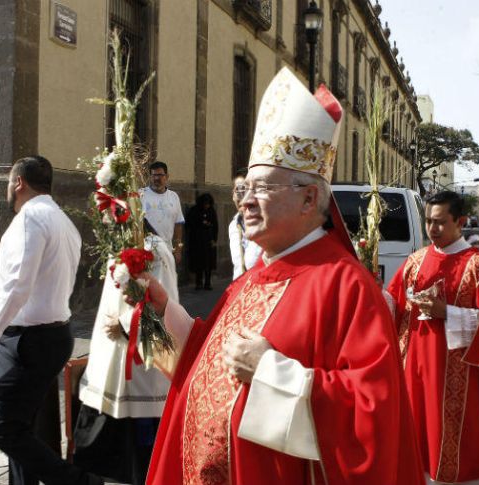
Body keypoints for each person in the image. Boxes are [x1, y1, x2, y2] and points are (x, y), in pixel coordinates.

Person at [141, 67, 424, 485]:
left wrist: (271, 372)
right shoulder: (251, 278)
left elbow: (371, 413)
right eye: (244, 190)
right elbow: (208, 359)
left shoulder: (347, 287)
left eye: (263, 189)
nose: (246, 203)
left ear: (310, 197)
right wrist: (163, 311)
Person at [0, 156, 102, 485]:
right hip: (54, 335)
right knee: (24, 428)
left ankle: (79, 481)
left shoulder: (31, 220)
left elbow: (17, 288)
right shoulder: (63, 222)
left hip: (27, 341)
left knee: (5, 430)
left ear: (19, 182)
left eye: (8, 182)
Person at [386, 190, 479, 485]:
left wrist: (448, 312)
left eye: (440, 222)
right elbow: (391, 306)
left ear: (461, 221)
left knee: (450, 452)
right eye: (429, 222)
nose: (432, 229)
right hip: (414, 375)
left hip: (457, 378)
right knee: (412, 446)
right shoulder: (415, 261)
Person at [73, 220, 180, 485]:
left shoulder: (154, 249)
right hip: (111, 358)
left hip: (139, 357)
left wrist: (125, 325)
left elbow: (162, 298)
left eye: (111, 216)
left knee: (138, 442)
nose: (105, 222)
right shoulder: (120, 245)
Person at [140, 161, 185, 263]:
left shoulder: (173, 197)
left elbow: (178, 224)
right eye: (154, 175)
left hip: (167, 251)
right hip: (146, 251)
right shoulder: (141, 195)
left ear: (167, 176)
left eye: (160, 175)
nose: (156, 178)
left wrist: (178, 249)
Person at [228, 173, 262, 279]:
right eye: (237, 190)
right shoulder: (233, 225)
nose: (241, 195)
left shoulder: (264, 223)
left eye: (245, 189)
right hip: (240, 287)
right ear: (233, 195)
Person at [185, 192, 218, 290]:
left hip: (208, 240)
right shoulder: (194, 210)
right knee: (198, 262)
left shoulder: (212, 211)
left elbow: (215, 225)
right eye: (205, 204)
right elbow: (190, 224)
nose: (207, 206)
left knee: (208, 263)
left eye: (208, 204)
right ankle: (198, 283)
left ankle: (207, 283)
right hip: (197, 241)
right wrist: (201, 223)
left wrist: (214, 239)